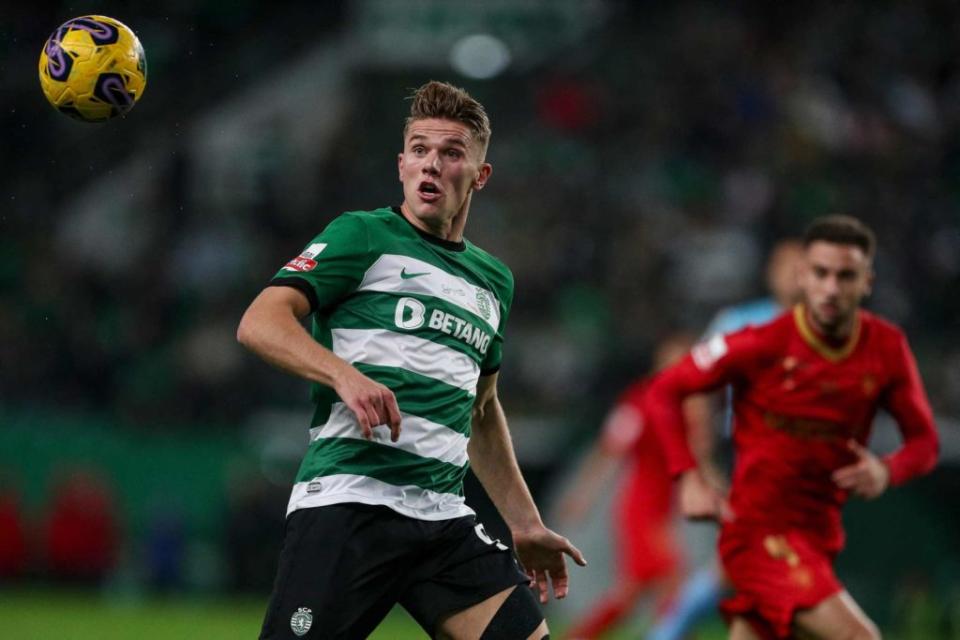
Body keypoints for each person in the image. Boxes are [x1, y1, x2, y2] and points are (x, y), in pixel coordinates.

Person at [237, 80, 585, 640]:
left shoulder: (494, 282)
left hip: (443, 518)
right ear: (401, 165)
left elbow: (482, 409)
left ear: (480, 175)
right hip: (351, 504)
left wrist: (524, 523)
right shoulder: (363, 234)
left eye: (451, 153)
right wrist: (343, 376)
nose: (431, 164)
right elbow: (260, 321)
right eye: (419, 149)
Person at [646, 215, 939, 640]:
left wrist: (886, 470)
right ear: (803, 277)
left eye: (846, 275)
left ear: (867, 281)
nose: (832, 288)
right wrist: (688, 474)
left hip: (819, 532)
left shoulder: (887, 349)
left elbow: (925, 440)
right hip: (759, 529)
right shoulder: (758, 340)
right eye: (821, 273)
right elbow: (665, 390)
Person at [648, 238, 805, 640]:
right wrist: (697, 458)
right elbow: (692, 386)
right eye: (786, 264)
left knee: (763, 567)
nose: (795, 273)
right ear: (771, 271)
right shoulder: (739, 321)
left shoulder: (825, 332)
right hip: (750, 456)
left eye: (803, 266)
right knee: (756, 565)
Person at [555, 333, 713, 639]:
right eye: (675, 361)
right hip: (640, 511)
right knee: (673, 580)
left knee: (629, 596)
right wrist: (582, 496)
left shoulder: (689, 407)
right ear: (660, 363)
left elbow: (699, 457)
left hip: (662, 513)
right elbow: (609, 451)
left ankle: (576, 636)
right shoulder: (641, 401)